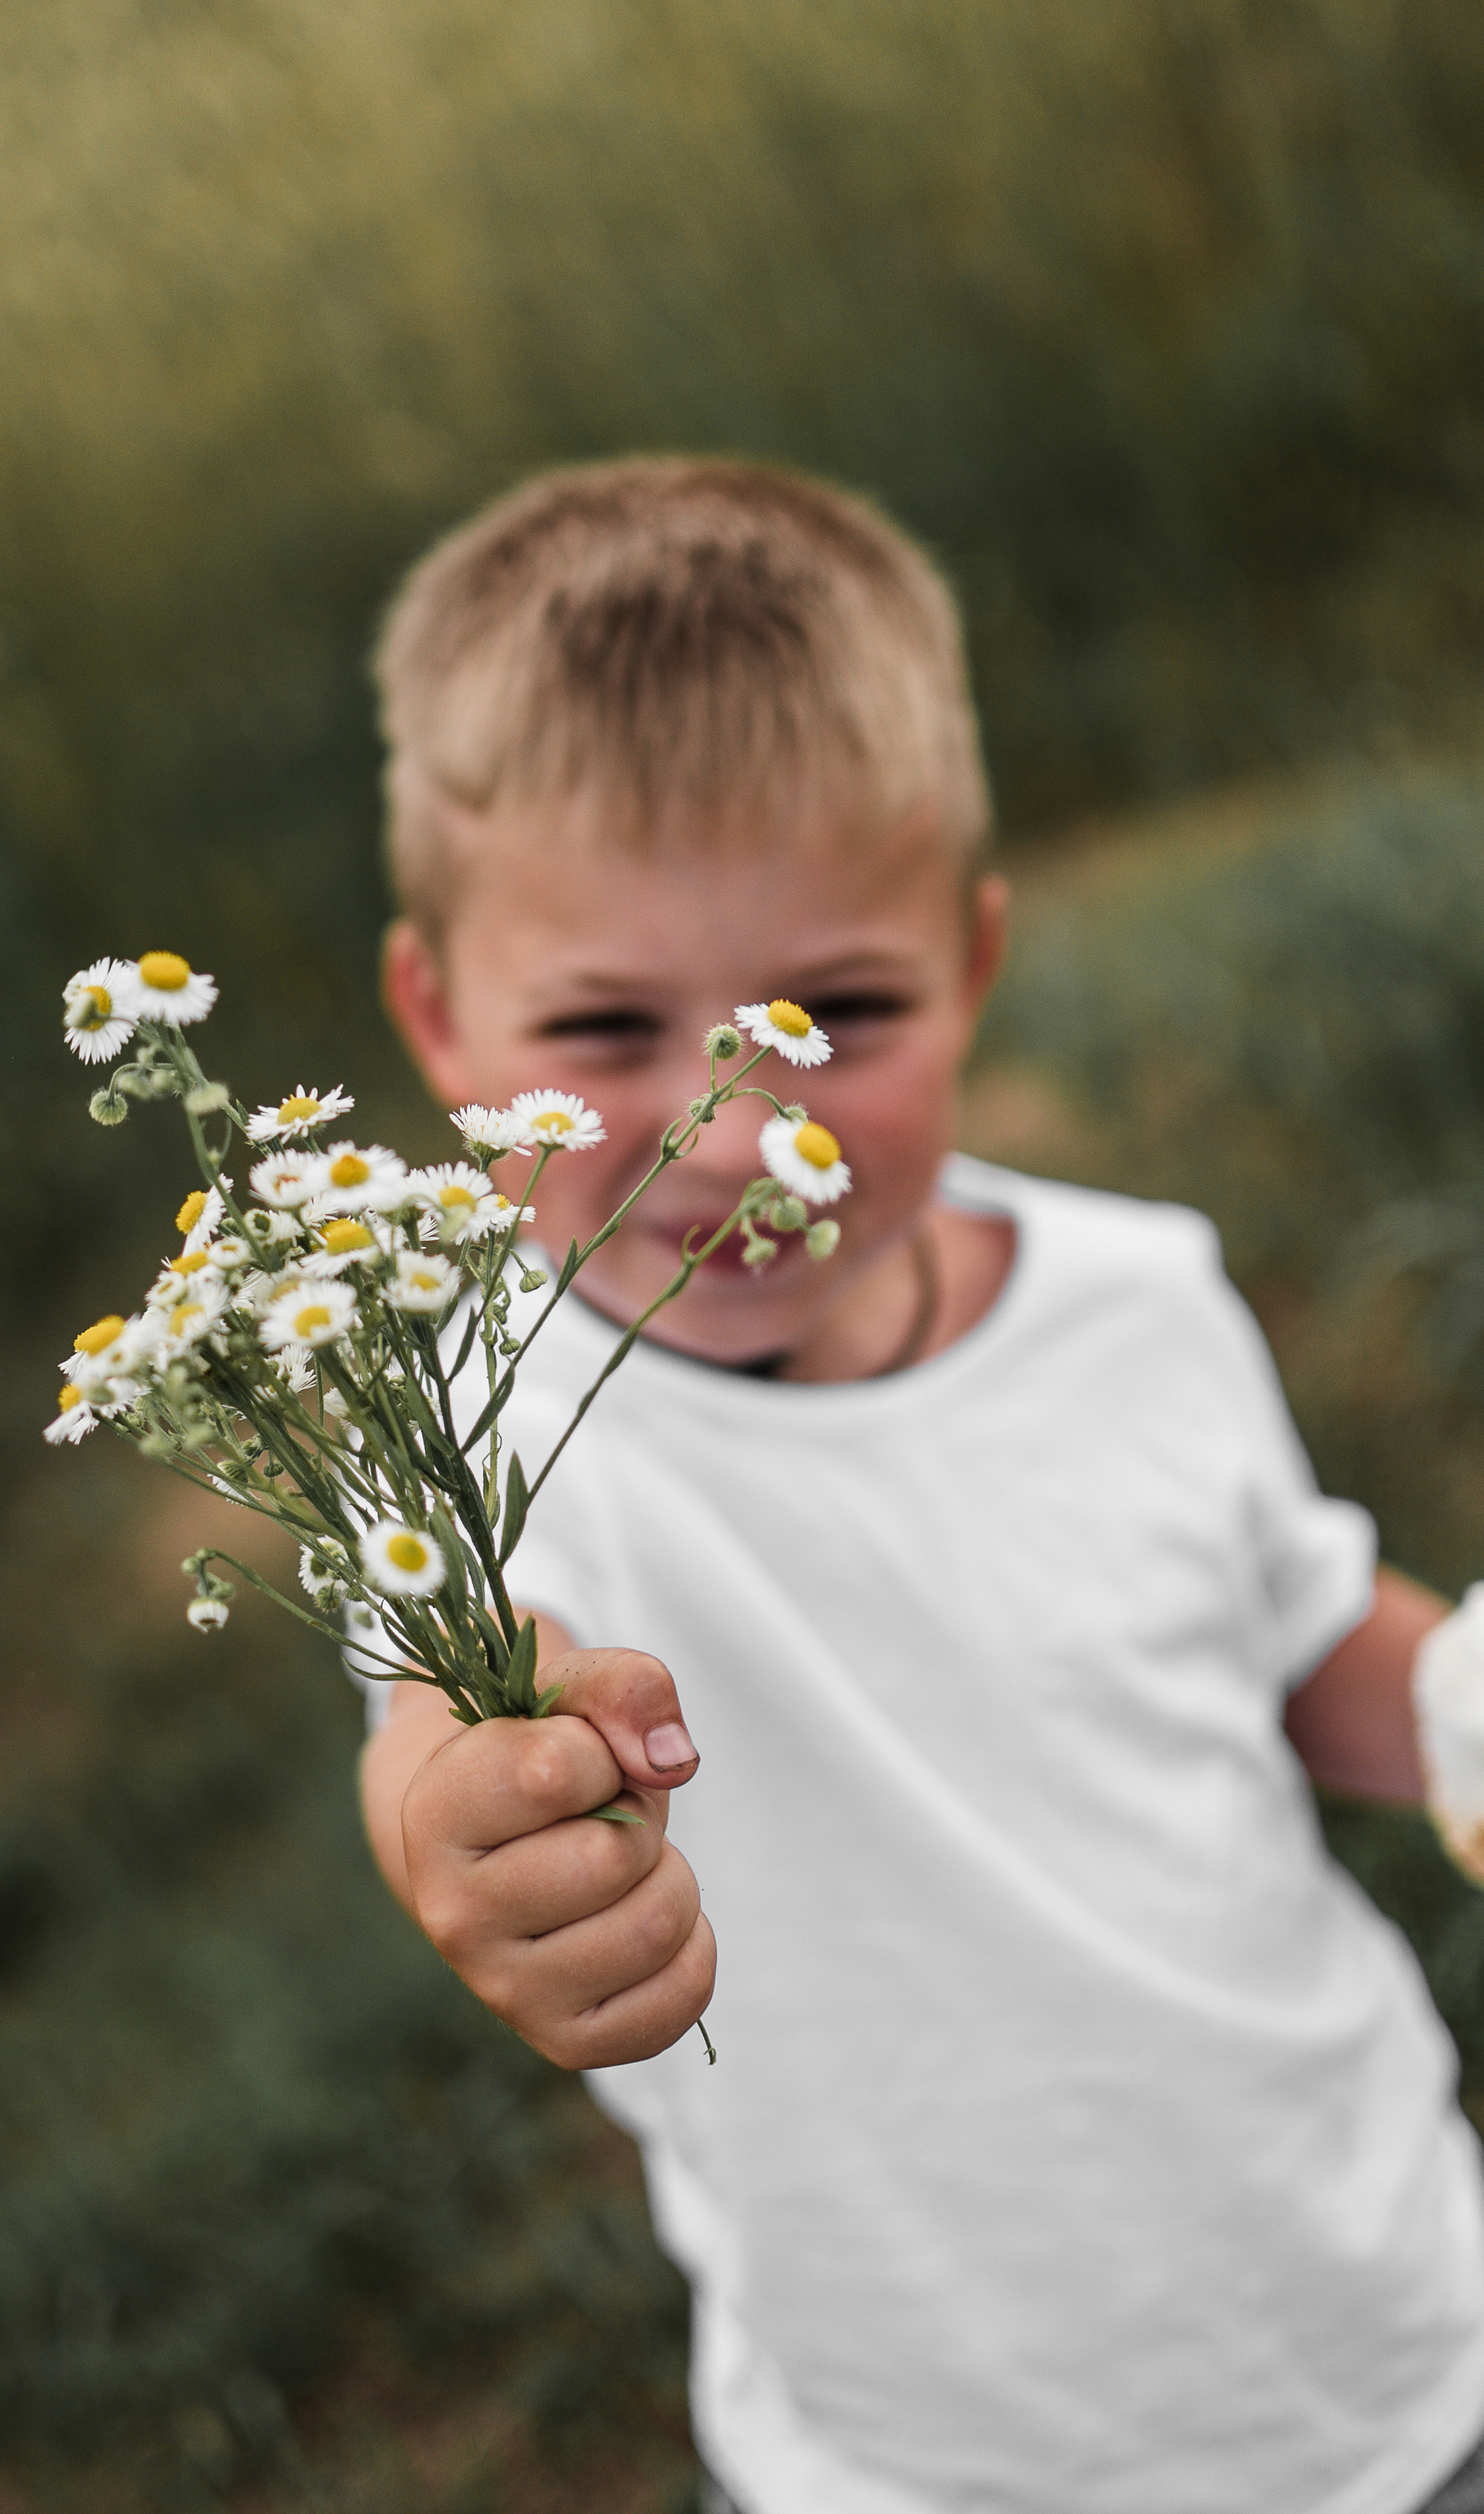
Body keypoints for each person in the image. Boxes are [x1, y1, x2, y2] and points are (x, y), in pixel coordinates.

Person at [358, 458, 1484, 2514]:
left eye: (835, 1013)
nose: (732, 1131)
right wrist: (471, 1830)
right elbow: (446, 1708)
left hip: (1394, 2340)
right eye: (603, 1027)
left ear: (973, 960)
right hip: (917, 2454)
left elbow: (1299, 1634)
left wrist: (1459, 1709)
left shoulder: (1143, 1299)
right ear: (438, 1018)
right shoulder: (471, 1440)